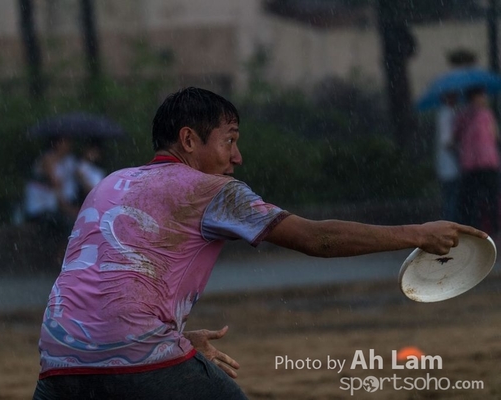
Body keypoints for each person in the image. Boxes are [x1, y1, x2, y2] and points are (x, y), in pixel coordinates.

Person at [32, 87, 486, 400]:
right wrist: (419, 234)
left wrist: (174, 340)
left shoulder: (110, 182)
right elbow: (317, 238)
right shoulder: (209, 189)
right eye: (229, 141)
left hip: (58, 360)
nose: (237, 156)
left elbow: (99, 290)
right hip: (136, 357)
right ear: (189, 140)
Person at [453, 86, 501, 237]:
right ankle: (493, 228)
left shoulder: (462, 115)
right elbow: (495, 135)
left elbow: (456, 137)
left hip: (472, 163)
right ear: (475, 97)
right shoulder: (485, 114)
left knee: (473, 198)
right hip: (485, 162)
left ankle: (477, 228)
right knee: (489, 196)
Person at [23, 135, 80, 237]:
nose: (69, 146)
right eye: (66, 142)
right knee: (67, 224)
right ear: (57, 143)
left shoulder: (67, 161)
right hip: (39, 209)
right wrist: (70, 210)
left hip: (52, 209)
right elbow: (56, 187)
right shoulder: (47, 159)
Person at [435, 91, 460, 221]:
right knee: (451, 200)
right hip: (449, 166)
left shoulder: (448, 113)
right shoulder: (446, 114)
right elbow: (446, 141)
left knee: (451, 199)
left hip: (449, 166)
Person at [76, 139, 107, 203]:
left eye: (96, 152)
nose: (93, 154)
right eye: (92, 151)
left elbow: (98, 191)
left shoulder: (98, 171)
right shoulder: (77, 165)